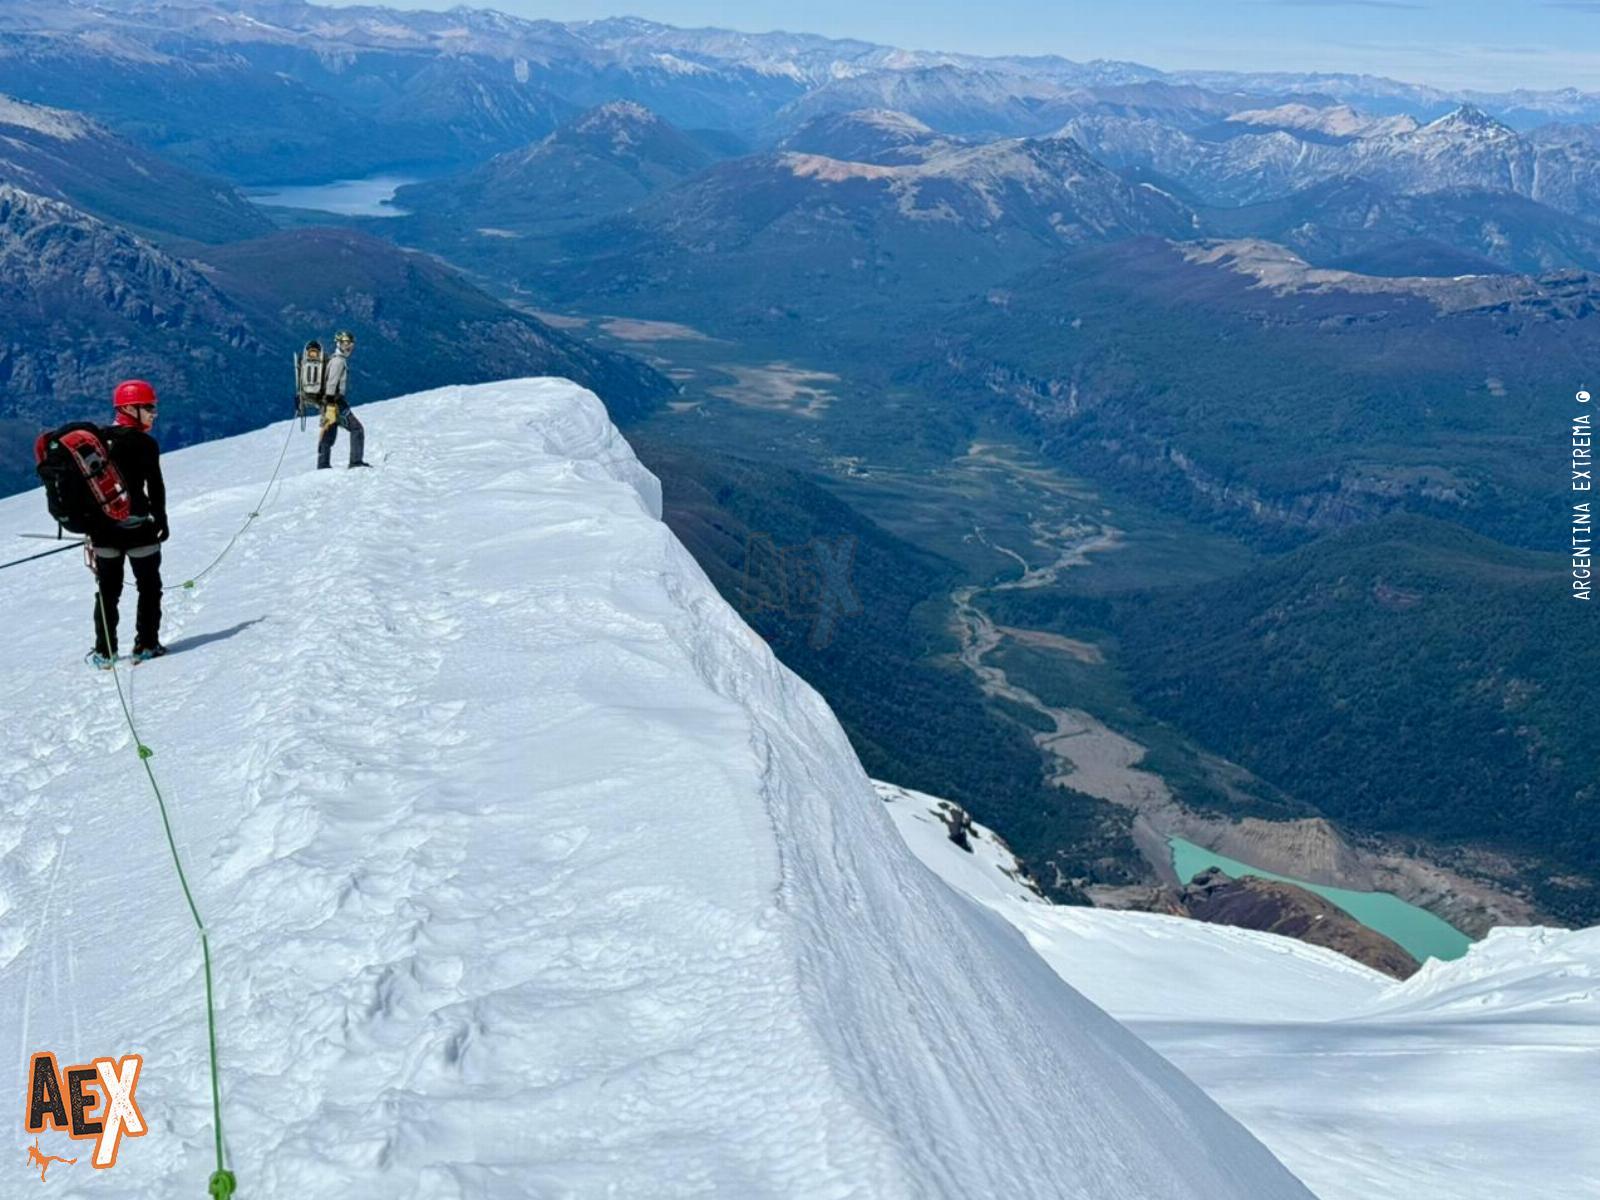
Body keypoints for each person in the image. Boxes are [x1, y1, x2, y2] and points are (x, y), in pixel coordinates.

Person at [90, 380, 169, 667]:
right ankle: (146, 645)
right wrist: (161, 519)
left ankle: (105, 651)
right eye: (148, 407)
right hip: (139, 529)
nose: (153, 414)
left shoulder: (97, 441)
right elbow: (155, 486)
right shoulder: (145, 444)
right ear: (130, 409)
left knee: (107, 591)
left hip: (103, 532)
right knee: (148, 587)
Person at [316, 329, 369, 469]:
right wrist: (331, 406)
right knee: (357, 429)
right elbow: (331, 384)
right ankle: (356, 462)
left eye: (351, 343)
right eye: (345, 343)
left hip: (328, 403)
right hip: (335, 402)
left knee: (328, 432)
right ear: (338, 343)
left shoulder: (334, 359)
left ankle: (323, 464)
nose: (349, 347)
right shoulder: (338, 361)